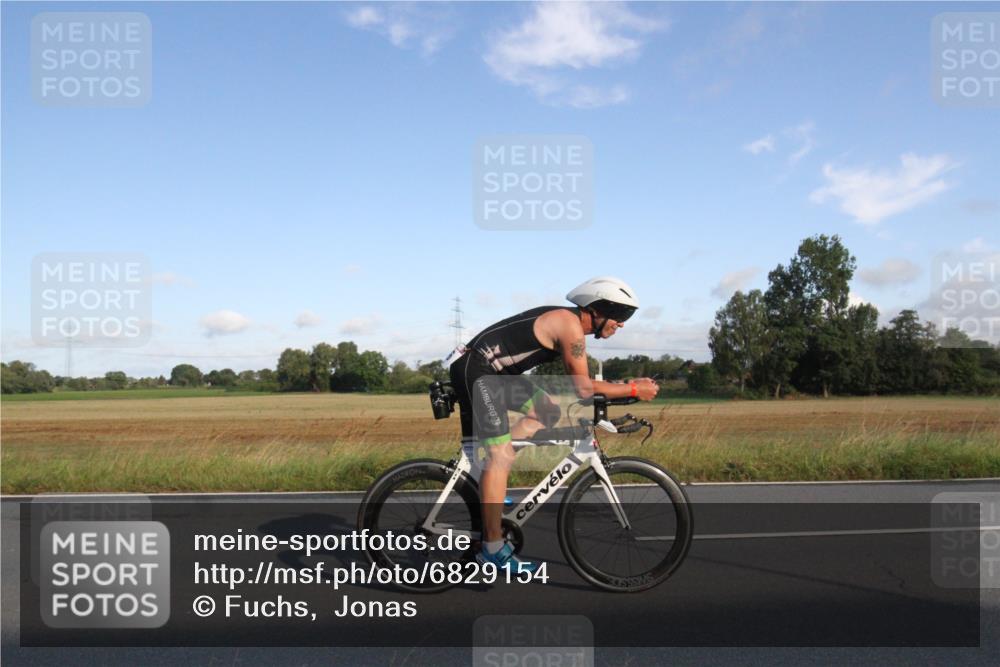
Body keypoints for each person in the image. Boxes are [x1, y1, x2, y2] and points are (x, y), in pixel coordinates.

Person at [448, 277, 661, 573]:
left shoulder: (569, 323)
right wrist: (634, 389)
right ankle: (492, 548)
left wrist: (622, 387)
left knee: (545, 409)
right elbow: (584, 389)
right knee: (501, 455)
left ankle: (492, 477)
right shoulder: (570, 327)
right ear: (597, 309)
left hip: (493, 373)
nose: (622, 324)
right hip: (479, 372)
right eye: (620, 315)